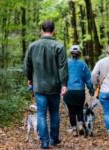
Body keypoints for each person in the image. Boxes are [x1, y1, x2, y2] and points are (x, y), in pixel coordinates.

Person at [24, 20, 68, 149]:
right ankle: (54, 140)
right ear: (53, 30)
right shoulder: (59, 46)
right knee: (54, 113)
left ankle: (44, 142)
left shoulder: (32, 46)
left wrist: (29, 78)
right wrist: (64, 84)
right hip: (54, 86)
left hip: (39, 86)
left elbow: (27, 65)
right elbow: (63, 67)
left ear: (42, 30)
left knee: (41, 114)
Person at [63, 45, 94, 137]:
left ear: (71, 54)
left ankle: (74, 130)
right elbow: (88, 79)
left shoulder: (66, 64)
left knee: (71, 111)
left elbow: (62, 76)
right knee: (79, 108)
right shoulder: (83, 64)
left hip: (69, 91)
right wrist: (91, 89)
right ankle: (80, 124)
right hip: (79, 91)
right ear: (79, 54)